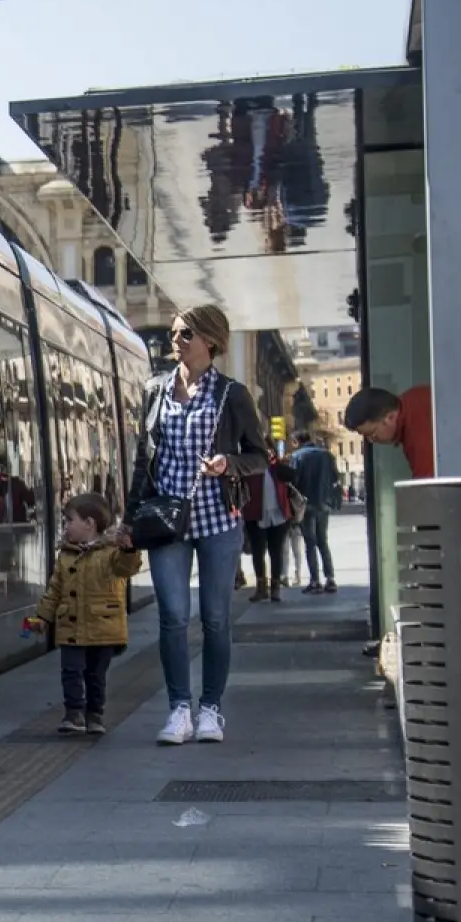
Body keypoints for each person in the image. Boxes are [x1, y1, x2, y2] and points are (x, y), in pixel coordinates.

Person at [129, 304, 270, 746]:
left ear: (209, 340)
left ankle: (210, 709)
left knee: (215, 619)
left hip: (217, 520)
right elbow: (143, 459)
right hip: (166, 519)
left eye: (184, 333)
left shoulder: (231, 394)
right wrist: (131, 519)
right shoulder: (156, 391)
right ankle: (178, 711)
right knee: (172, 617)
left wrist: (229, 463)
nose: (175, 340)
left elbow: (259, 456)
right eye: (174, 333)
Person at [28, 493, 143, 737]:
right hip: (71, 627)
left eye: (70, 521)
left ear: (89, 524)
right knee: (70, 671)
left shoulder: (112, 553)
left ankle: (95, 714)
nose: (66, 526)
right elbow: (54, 591)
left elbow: (127, 567)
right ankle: (73, 713)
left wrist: (130, 549)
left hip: (103, 629)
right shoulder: (66, 555)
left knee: (95, 674)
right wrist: (42, 618)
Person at [241, 449, 298, 603]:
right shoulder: (249, 467)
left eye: (268, 449)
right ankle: (261, 587)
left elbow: (293, 475)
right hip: (255, 515)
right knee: (258, 552)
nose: (266, 453)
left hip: (279, 515)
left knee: (276, 552)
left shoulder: (276, 467)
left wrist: (278, 462)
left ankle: (275, 588)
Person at [288, 430, 341, 593]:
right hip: (324, 502)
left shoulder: (297, 457)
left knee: (310, 543)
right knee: (323, 541)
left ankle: (315, 581)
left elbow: (293, 481)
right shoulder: (326, 455)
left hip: (306, 504)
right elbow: (335, 478)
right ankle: (330, 578)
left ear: (297, 441)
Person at [344, 384, 434, 479]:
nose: (371, 440)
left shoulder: (416, 437)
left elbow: (427, 485)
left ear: (389, 417)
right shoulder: (414, 396)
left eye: (372, 433)